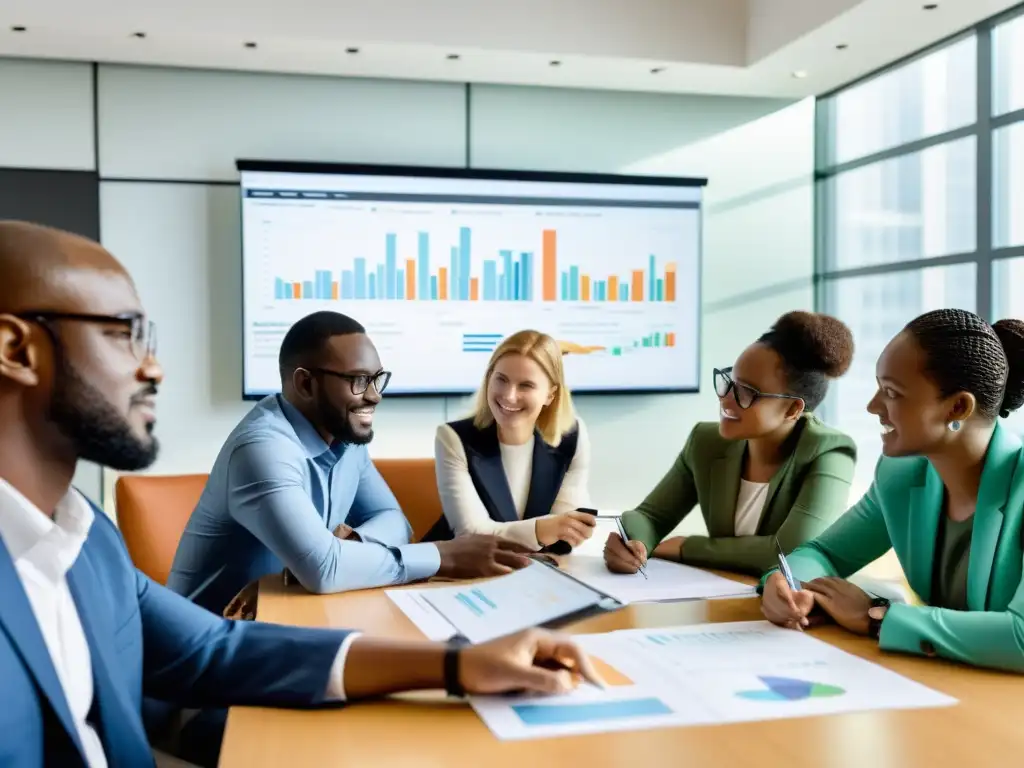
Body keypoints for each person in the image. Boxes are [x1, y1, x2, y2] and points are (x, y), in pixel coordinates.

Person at [0, 221, 602, 767]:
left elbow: (215, 649)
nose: (154, 368)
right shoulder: (261, 447)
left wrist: (457, 664)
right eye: (122, 334)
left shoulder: (86, 536)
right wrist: (420, 557)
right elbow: (315, 573)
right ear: (15, 349)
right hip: (194, 720)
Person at [168, 311, 534, 616]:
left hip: (283, 624)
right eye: (358, 381)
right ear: (305, 384)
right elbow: (325, 570)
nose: (374, 395)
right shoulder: (262, 449)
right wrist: (442, 556)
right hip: (203, 658)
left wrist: (353, 544)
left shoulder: (344, 438)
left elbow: (396, 521)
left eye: (377, 379)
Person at [761, 309, 1024, 673]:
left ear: (958, 406)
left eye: (891, 392)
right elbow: (824, 552)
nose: (872, 406)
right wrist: (788, 586)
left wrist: (878, 617)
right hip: (951, 683)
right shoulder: (902, 475)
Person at [604, 311, 857, 576]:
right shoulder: (705, 442)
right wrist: (634, 543)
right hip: (724, 596)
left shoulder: (831, 453)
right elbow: (650, 517)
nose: (725, 399)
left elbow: (791, 552)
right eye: (729, 382)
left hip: (796, 606)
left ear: (793, 409)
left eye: (747, 392)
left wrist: (689, 547)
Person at [428, 330, 596, 552]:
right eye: (501, 380)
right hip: (460, 572)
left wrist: (561, 529)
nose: (509, 395)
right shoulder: (453, 438)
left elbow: (564, 537)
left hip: (537, 572)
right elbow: (472, 536)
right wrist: (541, 530)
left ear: (550, 395)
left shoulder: (572, 436)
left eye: (526, 385)